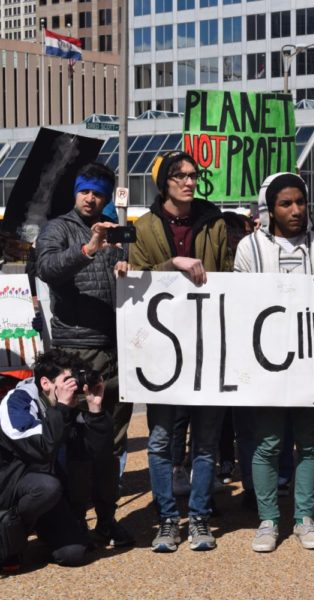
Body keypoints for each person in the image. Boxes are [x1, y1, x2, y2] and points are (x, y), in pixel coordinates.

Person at [129, 151, 233, 552]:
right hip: (161, 351)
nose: (189, 182)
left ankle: (201, 518)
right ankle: (169, 519)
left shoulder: (215, 222)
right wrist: (172, 262)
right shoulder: (147, 226)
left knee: (206, 442)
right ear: (164, 183)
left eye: (193, 175)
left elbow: (228, 279)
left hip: (207, 347)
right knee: (158, 441)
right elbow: (136, 281)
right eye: (180, 176)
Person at [233, 172, 314, 552]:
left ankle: (305, 517)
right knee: (268, 443)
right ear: (270, 209)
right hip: (267, 365)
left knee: (309, 444)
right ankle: (268, 519)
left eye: (300, 202)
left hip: (310, 363)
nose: (295, 210)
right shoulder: (249, 248)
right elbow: (240, 300)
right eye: (285, 203)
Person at [33, 161, 133, 547]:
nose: (91, 198)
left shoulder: (116, 233)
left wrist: (126, 266)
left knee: (111, 443)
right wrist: (88, 249)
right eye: (85, 191)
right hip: (74, 349)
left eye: (99, 193)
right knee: (74, 444)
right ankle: (73, 519)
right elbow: (46, 268)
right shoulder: (58, 228)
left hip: (114, 348)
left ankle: (107, 517)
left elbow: (123, 283)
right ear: (76, 192)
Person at [0, 350, 114, 570]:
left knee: (74, 554)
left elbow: (97, 452)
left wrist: (95, 409)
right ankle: (10, 532)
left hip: (45, 496)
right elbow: (43, 448)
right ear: (45, 382)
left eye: (74, 380)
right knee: (47, 487)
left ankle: (40, 529)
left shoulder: (67, 404)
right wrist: (61, 407)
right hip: (9, 489)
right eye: (66, 381)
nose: (72, 386)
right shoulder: (16, 403)